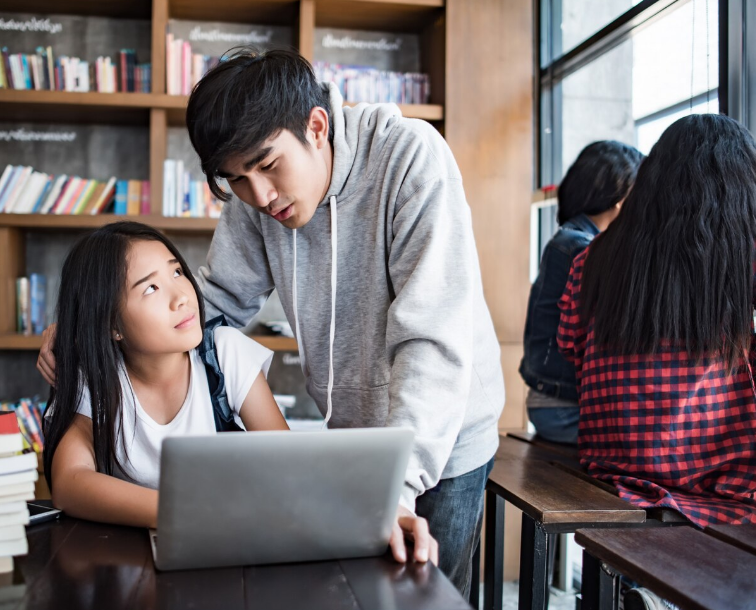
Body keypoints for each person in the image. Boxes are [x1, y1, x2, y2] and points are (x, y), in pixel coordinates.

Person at [39, 48, 504, 592]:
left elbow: (431, 339)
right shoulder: (254, 195)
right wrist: (87, 328)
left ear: (316, 126)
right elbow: (212, 304)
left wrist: (395, 491)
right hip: (353, 440)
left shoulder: (409, 158)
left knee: (423, 597)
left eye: (267, 166)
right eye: (235, 179)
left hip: (441, 440)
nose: (259, 196)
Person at [558, 114, 756, 527]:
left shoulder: (591, 259)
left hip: (614, 463)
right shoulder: (741, 262)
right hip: (721, 478)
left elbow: (569, 348)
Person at [43, 222, 289, 528]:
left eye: (177, 273)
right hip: (133, 553)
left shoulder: (225, 353)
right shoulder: (94, 376)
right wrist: (188, 514)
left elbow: (288, 470)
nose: (181, 297)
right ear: (111, 325)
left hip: (227, 541)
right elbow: (69, 484)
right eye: (150, 288)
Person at [519, 141, 644, 444]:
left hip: (552, 402)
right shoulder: (583, 248)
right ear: (621, 197)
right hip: (563, 409)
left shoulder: (571, 239)